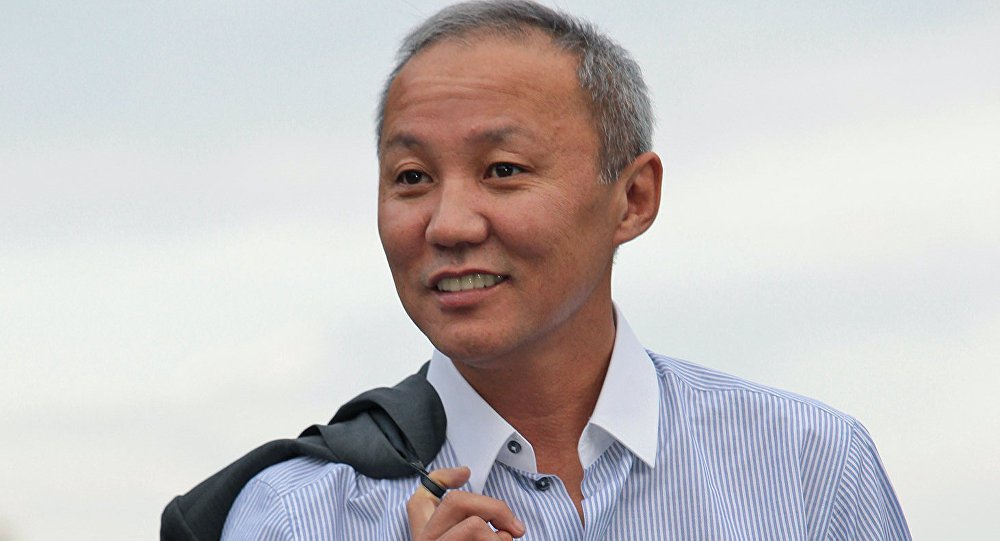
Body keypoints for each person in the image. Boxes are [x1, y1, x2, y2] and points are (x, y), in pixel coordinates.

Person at [216, 1, 911, 539]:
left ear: (632, 198)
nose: (449, 225)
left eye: (503, 170)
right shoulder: (298, 515)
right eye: (412, 177)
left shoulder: (807, 467)